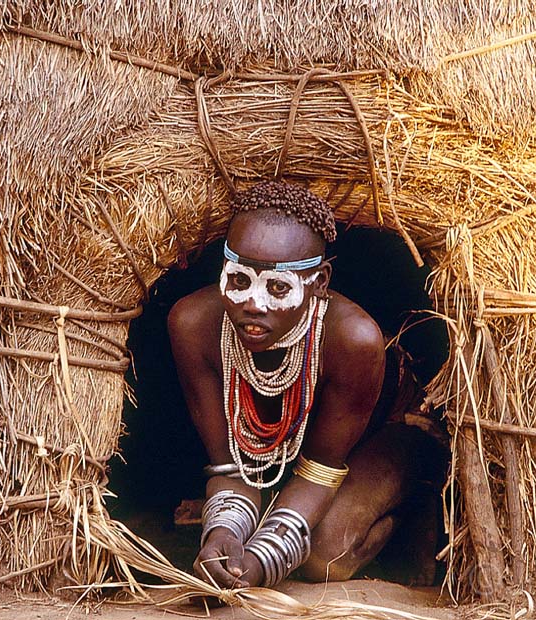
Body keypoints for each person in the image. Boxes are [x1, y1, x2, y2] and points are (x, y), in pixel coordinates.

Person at [168, 180, 440, 589]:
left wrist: (258, 566)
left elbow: (319, 471)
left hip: (383, 433)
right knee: (238, 531)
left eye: (278, 288)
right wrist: (222, 537)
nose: (252, 304)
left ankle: (417, 497)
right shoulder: (193, 324)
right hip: (283, 454)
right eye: (239, 280)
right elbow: (228, 466)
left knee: (321, 556)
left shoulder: (353, 340)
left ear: (320, 281)